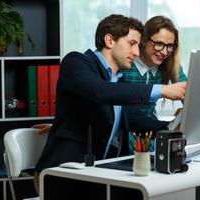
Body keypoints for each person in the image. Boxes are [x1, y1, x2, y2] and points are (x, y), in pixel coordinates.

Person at [33, 14, 186, 194]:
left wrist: (172, 127)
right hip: (61, 174)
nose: (137, 52)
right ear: (109, 40)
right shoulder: (76, 62)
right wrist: (162, 90)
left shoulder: (118, 81)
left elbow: (135, 119)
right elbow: (100, 91)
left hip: (97, 174)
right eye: (132, 44)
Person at [121, 15, 187, 154]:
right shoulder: (125, 60)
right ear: (144, 40)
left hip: (151, 131)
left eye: (169, 46)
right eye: (159, 44)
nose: (164, 52)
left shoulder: (171, 65)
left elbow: (189, 95)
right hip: (123, 131)